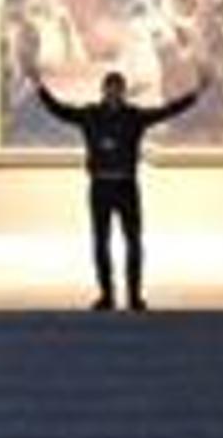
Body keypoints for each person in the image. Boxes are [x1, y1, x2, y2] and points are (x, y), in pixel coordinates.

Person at [27, 66, 201, 311]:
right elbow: (60, 110)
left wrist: (195, 95)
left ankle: (134, 296)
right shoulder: (90, 115)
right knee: (101, 242)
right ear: (104, 91)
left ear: (123, 92)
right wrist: (39, 87)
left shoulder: (134, 117)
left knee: (133, 242)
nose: (114, 93)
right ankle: (106, 296)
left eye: (118, 89)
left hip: (126, 185)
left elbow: (167, 111)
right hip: (100, 185)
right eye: (110, 89)